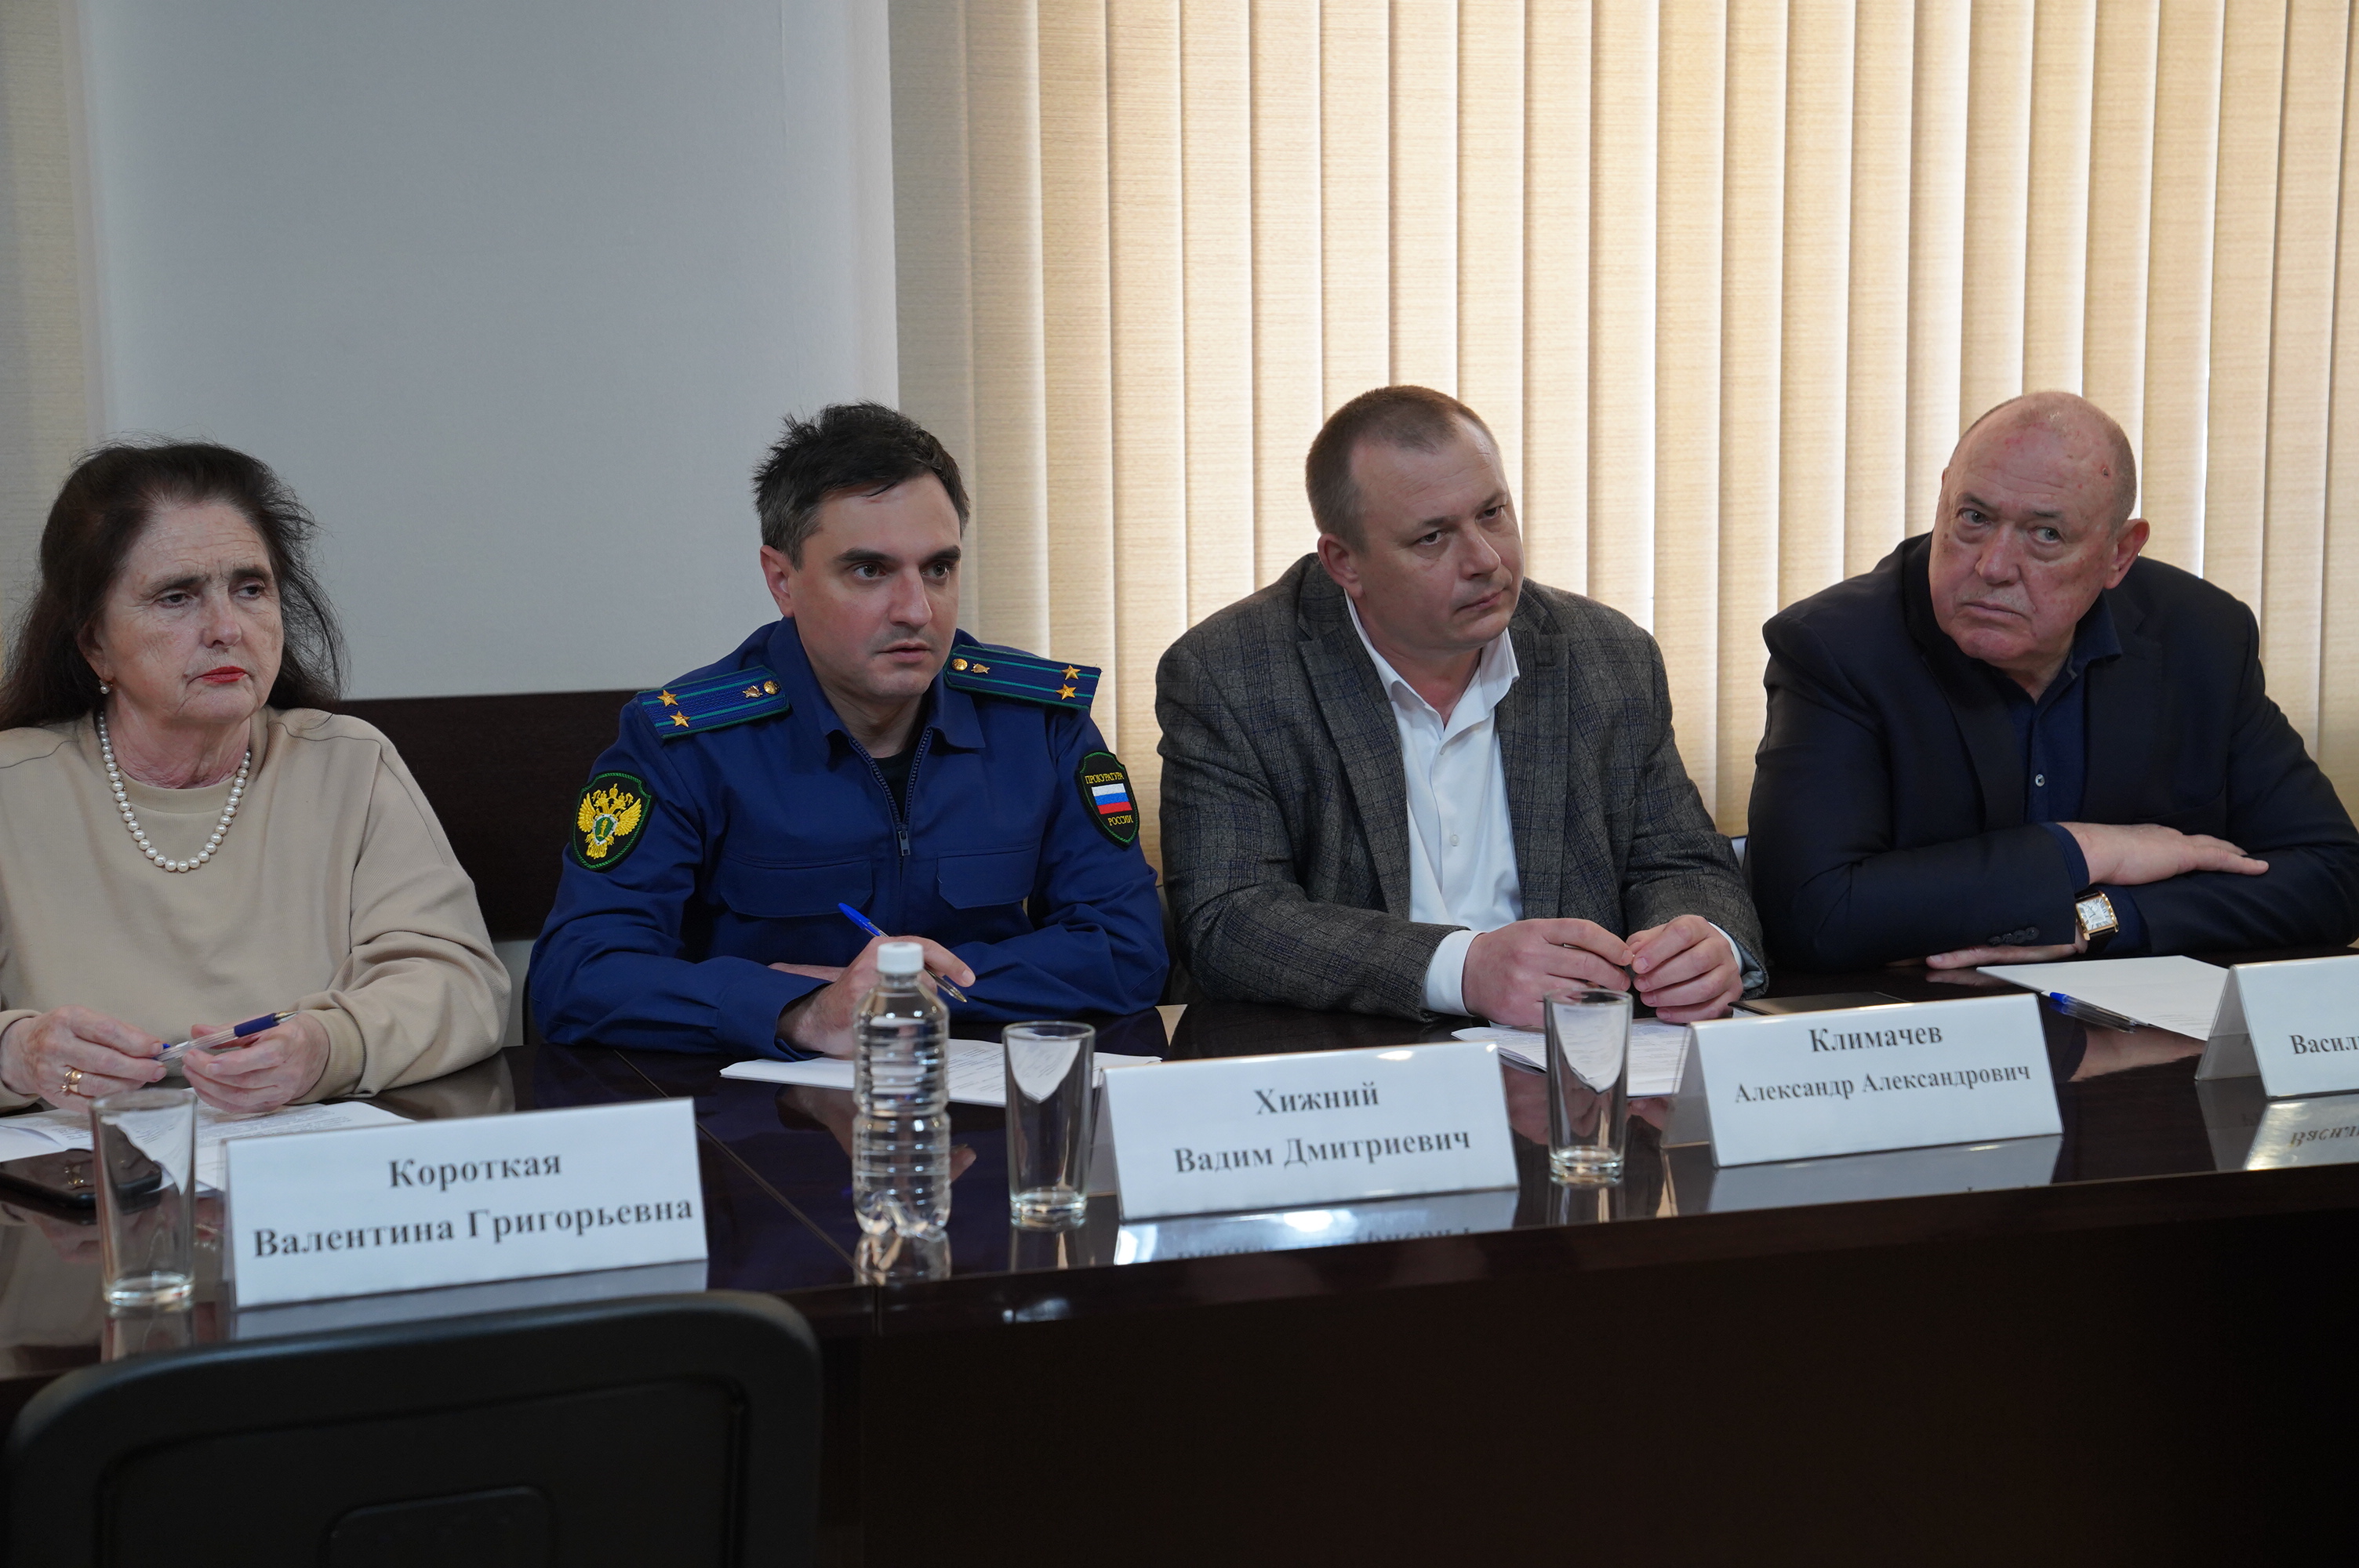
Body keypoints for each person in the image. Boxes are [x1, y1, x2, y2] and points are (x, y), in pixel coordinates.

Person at [529, 402, 1167, 1058]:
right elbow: (577, 976)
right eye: (870, 571)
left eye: (938, 569)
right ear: (782, 581)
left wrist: (903, 991)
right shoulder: (687, 742)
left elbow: (1128, 948)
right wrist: (801, 1011)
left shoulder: (1039, 723)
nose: (916, 609)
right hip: (763, 1108)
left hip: (980, 1094)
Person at [1156, 386, 1764, 1026]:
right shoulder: (1231, 674)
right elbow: (1230, 920)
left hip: (1573, 1053)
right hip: (1353, 1063)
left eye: (1492, 513)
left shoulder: (1607, 655)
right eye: (1432, 538)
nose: (1486, 559)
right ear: (1344, 562)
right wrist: (1462, 969)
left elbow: (1683, 861)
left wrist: (1704, 944)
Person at [1747, 390, 2359, 971]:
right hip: (1921, 1026)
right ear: (1943, 499)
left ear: (2119, 553)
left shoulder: (2199, 636)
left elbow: (2334, 877)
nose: (1992, 566)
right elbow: (1811, 916)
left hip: (2142, 1025)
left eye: (2046, 535)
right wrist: (2088, 849)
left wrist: (2103, 919)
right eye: (1974, 517)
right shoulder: (1837, 648)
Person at [0, 442, 510, 1115]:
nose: (227, 628)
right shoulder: (14, 788)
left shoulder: (347, 765)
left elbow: (460, 985)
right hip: (74, 1170)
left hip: (302, 1160)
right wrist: (17, 1055)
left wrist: (330, 1047)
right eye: (176, 597)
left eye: (250, 589)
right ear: (95, 643)